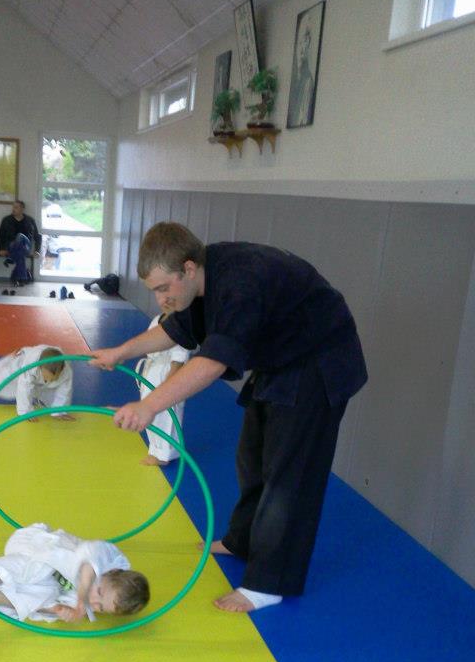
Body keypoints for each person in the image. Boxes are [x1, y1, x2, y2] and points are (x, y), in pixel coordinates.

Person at [90, 222, 368, 613]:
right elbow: (173, 333)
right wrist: (120, 352)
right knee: (252, 457)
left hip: (319, 361)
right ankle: (243, 539)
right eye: (155, 290)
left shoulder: (239, 284)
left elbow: (212, 363)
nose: (160, 299)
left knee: (289, 474)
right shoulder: (198, 284)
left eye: (163, 288)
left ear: (188, 269)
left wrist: (150, 405)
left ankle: (268, 583)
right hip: (281, 358)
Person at [0, 522, 150, 623]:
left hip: (41, 577)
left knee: (45, 595)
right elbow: (88, 558)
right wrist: (81, 597)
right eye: (100, 594)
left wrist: (61, 611)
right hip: (32, 546)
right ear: (110, 572)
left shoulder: (88, 602)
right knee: (34, 571)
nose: (94, 603)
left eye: (101, 608)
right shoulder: (107, 558)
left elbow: (56, 602)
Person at [134, 309, 190, 466]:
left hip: (167, 374)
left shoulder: (182, 325)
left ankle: (164, 454)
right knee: (151, 413)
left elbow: (178, 359)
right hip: (152, 370)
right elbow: (148, 343)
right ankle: (156, 449)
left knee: (166, 414)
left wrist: (169, 386)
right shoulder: (157, 319)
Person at [0, 345, 75, 421]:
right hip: (22, 362)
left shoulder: (66, 372)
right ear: (40, 367)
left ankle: (47, 396)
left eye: (53, 378)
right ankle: (11, 360)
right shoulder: (30, 364)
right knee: (0, 381)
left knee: (50, 392)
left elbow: (64, 391)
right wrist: (26, 412)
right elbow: (24, 387)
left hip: (47, 366)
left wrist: (59, 411)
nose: (48, 380)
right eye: (46, 377)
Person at [0, 200, 41, 287]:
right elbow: (1, 236)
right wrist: (1, 249)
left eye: (16, 207)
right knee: (20, 254)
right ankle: (20, 277)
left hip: (26, 246)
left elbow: (37, 236)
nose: (13, 209)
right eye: (13, 207)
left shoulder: (30, 220)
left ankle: (11, 258)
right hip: (11, 246)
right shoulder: (6, 220)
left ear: (22, 209)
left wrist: (37, 250)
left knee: (20, 236)